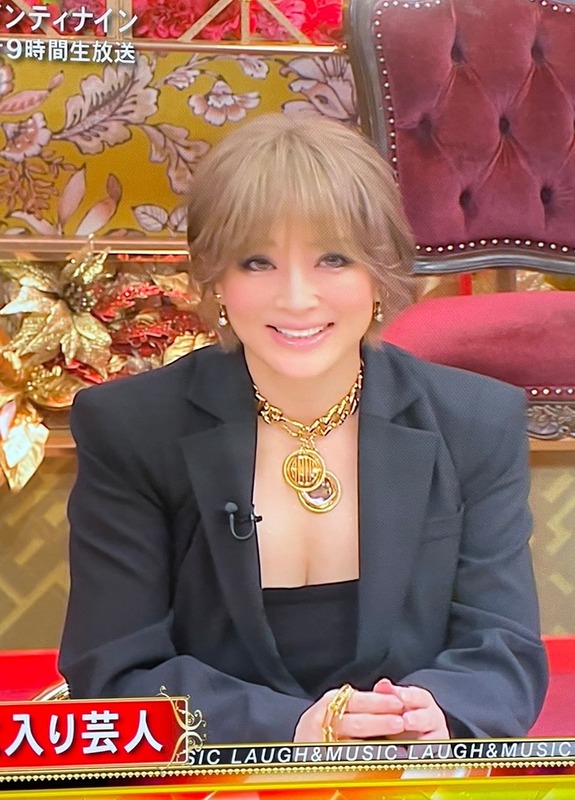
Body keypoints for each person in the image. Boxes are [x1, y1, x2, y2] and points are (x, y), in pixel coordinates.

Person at [59, 114, 548, 744]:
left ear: (380, 270)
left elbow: (503, 648)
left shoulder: (474, 420)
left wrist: (436, 714)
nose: (296, 298)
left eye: (332, 259)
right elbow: (113, 670)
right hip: (215, 778)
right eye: (256, 262)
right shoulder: (132, 429)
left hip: (411, 775)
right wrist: (296, 728)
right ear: (216, 280)